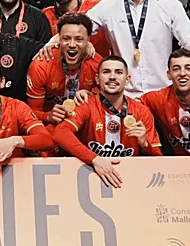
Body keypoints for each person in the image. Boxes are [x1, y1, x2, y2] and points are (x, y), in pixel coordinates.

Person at [54, 56, 162, 187]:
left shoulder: (141, 111)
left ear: (127, 79)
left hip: (131, 181)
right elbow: (60, 133)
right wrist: (95, 159)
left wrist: (145, 144)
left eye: (118, 72)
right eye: (106, 72)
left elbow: (158, 161)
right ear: (97, 79)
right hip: (92, 176)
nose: (112, 77)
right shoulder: (86, 105)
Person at [26, 13, 100, 125]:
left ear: (88, 40)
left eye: (79, 39)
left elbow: (109, 106)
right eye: (66, 38)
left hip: (85, 127)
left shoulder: (98, 66)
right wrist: (48, 116)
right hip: (50, 127)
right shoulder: (41, 66)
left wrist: (94, 99)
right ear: (58, 39)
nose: (72, 44)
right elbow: (32, 112)